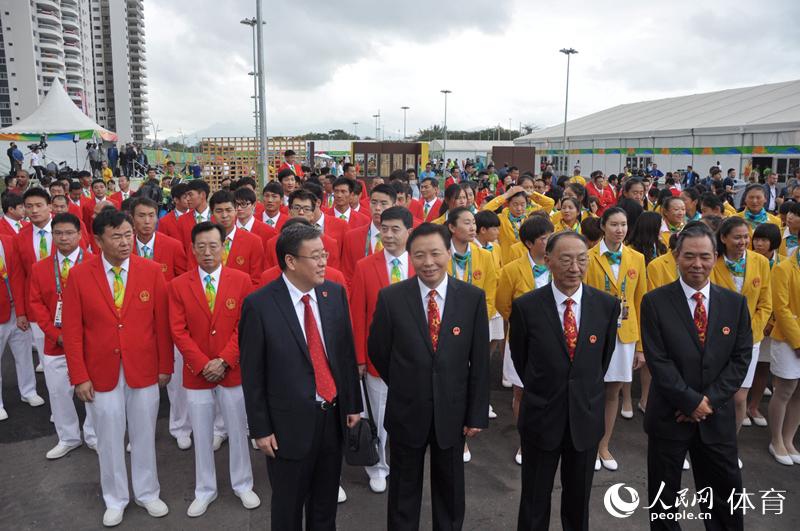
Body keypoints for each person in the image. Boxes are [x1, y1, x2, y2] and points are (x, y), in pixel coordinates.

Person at [240, 223, 361, 531]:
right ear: (291, 261)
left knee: (325, 506)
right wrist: (261, 429)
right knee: (288, 508)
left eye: (324, 255)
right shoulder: (260, 305)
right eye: (315, 256)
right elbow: (253, 374)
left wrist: (352, 405)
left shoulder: (334, 294)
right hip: (287, 427)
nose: (323, 263)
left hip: (332, 418)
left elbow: (345, 354)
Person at [369, 223, 489, 530]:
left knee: (450, 490)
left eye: (435, 253)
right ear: (410, 257)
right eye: (419, 255)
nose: (428, 262)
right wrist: (407, 382)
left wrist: (475, 413)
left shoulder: (472, 298)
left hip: (453, 411)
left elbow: (479, 361)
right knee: (403, 490)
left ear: (448, 253)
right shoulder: (392, 298)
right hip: (407, 410)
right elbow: (379, 350)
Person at [62, 209, 172, 527]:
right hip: (100, 371)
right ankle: (115, 498)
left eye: (128, 235)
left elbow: (162, 325)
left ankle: (148, 492)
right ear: (98, 241)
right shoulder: (80, 276)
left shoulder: (151, 271)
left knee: (143, 433)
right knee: (109, 437)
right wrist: (79, 376)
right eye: (116, 237)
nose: (125, 242)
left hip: (144, 367)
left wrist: (165, 366)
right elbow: (72, 331)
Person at [641, 223, 751, 529]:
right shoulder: (655, 302)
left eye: (704, 256)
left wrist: (707, 403)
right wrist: (689, 401)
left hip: (716, 418)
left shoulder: (735, 304)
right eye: (689, 256)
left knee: (726, 499)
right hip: (669, 416)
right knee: (664, 501)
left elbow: (740, 359)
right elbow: (658, 360)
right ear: (676, 256)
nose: (697, 264)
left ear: (716, 256)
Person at [510, 230, 619, 531]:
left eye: (582, 260)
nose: (574, 268)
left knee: (578, 502)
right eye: (566, 259)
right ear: (548, 260)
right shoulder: (527, 307)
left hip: (585, 418)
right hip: (541, 417)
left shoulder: (606, 305)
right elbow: (522, 360)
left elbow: (601, 360)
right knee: (534, 500)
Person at [168, 221, 260, 517]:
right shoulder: (178, 285)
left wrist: (224, 360)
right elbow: (178, 330)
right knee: (202, 432)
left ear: (224, 247)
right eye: (201, 246)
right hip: (197, 374)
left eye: (213, 246)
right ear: (192, 249)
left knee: (238, 429)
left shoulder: (241, 280)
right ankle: (205, 489)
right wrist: (201, 363)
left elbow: (244, 326)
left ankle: (243, 484)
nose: (208, 252)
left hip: (231, 370)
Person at [349, 206, 414, 494]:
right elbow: (358, 314)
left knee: (410, 413)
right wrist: (359, 357)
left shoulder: (420, 263)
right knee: (378, 415)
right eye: (384, 229)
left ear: (409, 231)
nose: (388, 235)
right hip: (378, 357)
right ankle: (377, 466)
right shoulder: (365, 266)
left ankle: (404, 461)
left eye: (395, 229)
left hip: (413, 357)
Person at [27, 212, 96, 456]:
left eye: (69, 233)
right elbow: (36, 305)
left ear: (80, 234)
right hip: (55, 342)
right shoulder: (39, 268)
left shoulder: (95, 263)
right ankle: (68, 437)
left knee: (94, 392)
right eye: (58, 233)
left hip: (89, 342)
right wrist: (55, 334)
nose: (63, 238)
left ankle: (94, 435)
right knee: (58, 392)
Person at [584, 207, 646, 472]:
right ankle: (587, 445)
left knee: (613, 391)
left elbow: (640, 301)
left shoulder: (637, 258)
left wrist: (641, 346)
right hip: (593, 333)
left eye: (623, 224)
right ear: (603, 226)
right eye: (614, 224)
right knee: (590, 391)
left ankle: (603, 445)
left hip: (625, 334)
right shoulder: (587, 257)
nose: (619, 230)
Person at [710, 216, 772, 468]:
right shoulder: (712, 262)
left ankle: (729, 446)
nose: (743, 241)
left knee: (738, 398)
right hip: (716, 339)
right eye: (737, 237)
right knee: (714, 394)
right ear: (723, 238)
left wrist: (749, 333)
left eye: (746, 237)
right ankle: (706, 444)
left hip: (749, 340)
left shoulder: (760, 262)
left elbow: (765, 303)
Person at [496, 216, 555, 466]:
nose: (549, 241)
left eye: (551, 236)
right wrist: (523, 325)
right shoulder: (512, 270)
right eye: (544, 238)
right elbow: (503, 303)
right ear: (529, 243)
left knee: (551, 390)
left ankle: (549, 436)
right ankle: (525, 440)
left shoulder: (559, 265)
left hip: (555, 340)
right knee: (521, 392)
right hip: (522, 340)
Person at [445, 207, 498, 463]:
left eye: (473, 222)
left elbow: (489, 293)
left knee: (470, 379)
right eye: (466, 222)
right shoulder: (441, 254)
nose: (472, 227)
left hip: (473, 328)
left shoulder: (484, 256)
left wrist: (476, 323)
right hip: (444, 328)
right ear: (451, 227)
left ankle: (462, 436)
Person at [766, 235, 800, 465]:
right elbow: (781, 308)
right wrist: (797, 341)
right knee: (785, 389)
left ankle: (789, 439)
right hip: (788, 339)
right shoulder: (784, 268)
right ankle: (776, 439)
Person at [0, 230, 38, 421]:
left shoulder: (9, 241)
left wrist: (22, 310)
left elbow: (18, 275)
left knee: (24, 355)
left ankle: (29, 391)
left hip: (16, 310)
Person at [339, 184, 397, 281]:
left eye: (383, 203)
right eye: (374, 202)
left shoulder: (403, 238)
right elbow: (347, 276)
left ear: (394, 206)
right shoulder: (352, 237)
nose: (377, 208)